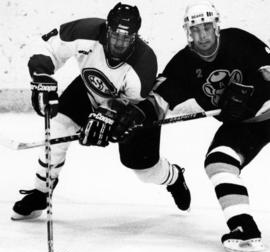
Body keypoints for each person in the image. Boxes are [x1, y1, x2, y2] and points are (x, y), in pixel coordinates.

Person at [12, 3, 191, 221]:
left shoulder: (144, 63)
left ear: (135, 36)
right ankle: (41, 192)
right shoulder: (85, 32)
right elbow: (48, 48)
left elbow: (134, 103)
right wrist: (42, 77)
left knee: (143, 170)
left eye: (127, 38)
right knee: (59, 127)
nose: (119, 43)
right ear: (107, 28)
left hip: (130, 110)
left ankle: (173, 177)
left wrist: (109, 113)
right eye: (115, 35)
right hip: (88, 89)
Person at [151, 1, 270, 252]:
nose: (202, 35)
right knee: (218, 163)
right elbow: (158, 100)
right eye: (195, 30)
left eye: (206, 27)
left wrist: (250, 94)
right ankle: (244, 228)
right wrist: (131, 115)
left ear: (216, 27)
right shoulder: (182, 64)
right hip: (244, 127)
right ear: (188, 32)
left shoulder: (240, 41)